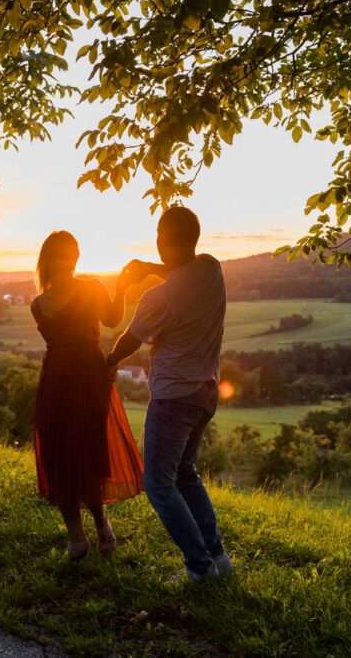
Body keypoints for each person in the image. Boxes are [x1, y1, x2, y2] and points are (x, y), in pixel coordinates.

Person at [106, 207, 232, 582]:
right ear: (195, 237)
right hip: (206, 391)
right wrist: (153, 267)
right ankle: (217, 557)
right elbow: (185, 270)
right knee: (185, 475)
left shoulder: (157, 299)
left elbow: (129, 339)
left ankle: (199, 567)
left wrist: (109, 361)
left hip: (174, 397)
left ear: (162, 240)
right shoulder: (213, 269)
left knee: (158, 484)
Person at [31, 231, 144, 560]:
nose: (71, 260)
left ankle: (87, 533)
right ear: (55, 259)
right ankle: (91, 533)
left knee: (70, 451)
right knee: (76, 450)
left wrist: (121, 285)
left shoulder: (40, 304)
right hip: (79, 375)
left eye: (73, 254)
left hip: (64, 376)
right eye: (68, 254)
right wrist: (122, 286)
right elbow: (111, 319)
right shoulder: (77, 291)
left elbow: (103, 321)